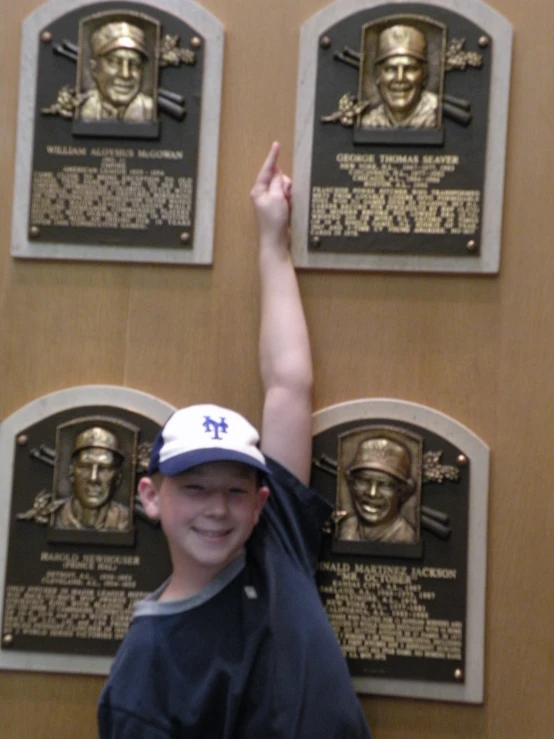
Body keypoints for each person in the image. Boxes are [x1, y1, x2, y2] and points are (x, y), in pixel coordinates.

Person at [97, 142, 372, 738]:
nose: (217, 508)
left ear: (261, 503)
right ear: (150, 495)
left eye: (234, 490)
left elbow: (289, 384)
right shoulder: (146, 667)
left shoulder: (279, 544)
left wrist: (273, 243)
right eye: (195, 488)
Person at [339, 436, 416, 544]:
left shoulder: (406, 538)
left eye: (384, 485)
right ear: (351, 483)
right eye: (363, 481)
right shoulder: (344, 529)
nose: (372, 493)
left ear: (403, 492)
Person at [361, 24, 438, 129]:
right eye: (391, 69)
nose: (400, 78)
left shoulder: (436, 117)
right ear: (378, 76)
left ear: (424, 75)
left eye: (410, 68)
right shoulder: (370, 122)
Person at [55, 426, 129, 531]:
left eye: (104, 469)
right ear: (71, 473)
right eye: (85, 467)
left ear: (118, 478)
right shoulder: (55, 515)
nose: (93, 479)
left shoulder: (125, 521)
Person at [80, 20, 154, 122]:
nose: (125, 74)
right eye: (114, 62)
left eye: (135, 64)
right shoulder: (79, 108)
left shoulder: (151, 111)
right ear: (94, 69)